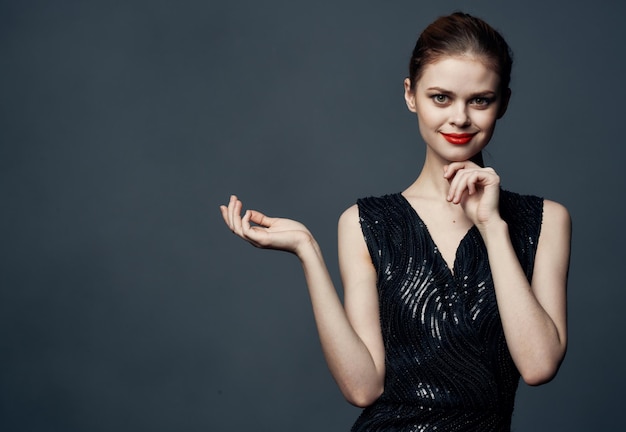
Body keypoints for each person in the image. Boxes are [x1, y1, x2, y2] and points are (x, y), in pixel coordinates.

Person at [220, 12, 570, 432]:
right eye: (441, 97)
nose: (460, 117)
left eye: (480, 100)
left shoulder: (545, 220)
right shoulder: (365, 224)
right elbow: (362, 389)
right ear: (411, 95)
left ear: (503, 103)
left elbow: (538, 365)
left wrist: (493, 228)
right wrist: (307, 252)